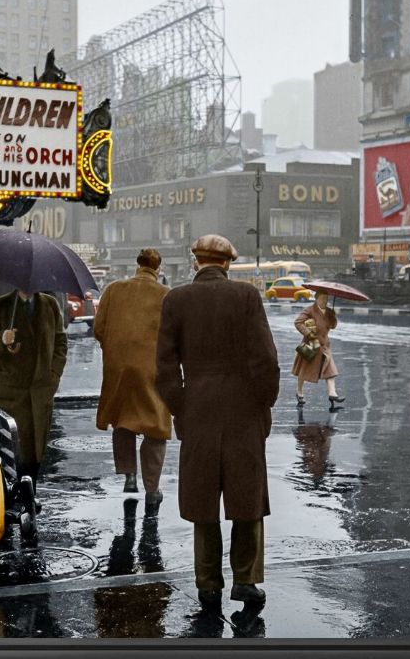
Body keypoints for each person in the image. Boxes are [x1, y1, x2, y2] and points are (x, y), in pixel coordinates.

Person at [156, 234, 280, 608]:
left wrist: (181, 405)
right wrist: (263, 403)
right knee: (247, 496)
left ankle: (208, 581)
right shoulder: (246, 296)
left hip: (198, 407)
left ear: (196, 262)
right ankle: (245, 579)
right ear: (227, 263)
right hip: (243, 408)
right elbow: (266, 359)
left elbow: (164, 365)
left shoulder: (175, 299)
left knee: (202, 495)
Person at [94, 248, 170, 513]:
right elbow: (173, 335)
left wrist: (116, 351)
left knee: (123, 421)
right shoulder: (165, 294)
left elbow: (98, 328)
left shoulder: (114, 289)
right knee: (155, 428)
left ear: (137, 265)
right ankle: (152, 489)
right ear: (157, 268)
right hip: (152, 370)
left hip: (119, 368)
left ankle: (128, 475)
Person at [0, 288, 68, 493]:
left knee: (36, 450)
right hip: (11, 391)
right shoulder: (1, 305)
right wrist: (2, 338)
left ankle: (30, 495)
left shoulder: (50, 304)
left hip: (41, 390)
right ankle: (16, 497)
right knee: (15, 450)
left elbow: (61, 341)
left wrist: (54, 374)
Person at [292, 291, 346, 412]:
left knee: (330, 369)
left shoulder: (329, 311)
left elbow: (332, 326)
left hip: (325, 345)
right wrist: (309, 333)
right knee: (303, 370)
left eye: (326, 298)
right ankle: (299, 392)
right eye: (322, 298)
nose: (324, 301)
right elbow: (298, 322)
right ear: (316, 299)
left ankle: (332, 393)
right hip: (311, 344)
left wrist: (333, 317)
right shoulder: (310, 310)